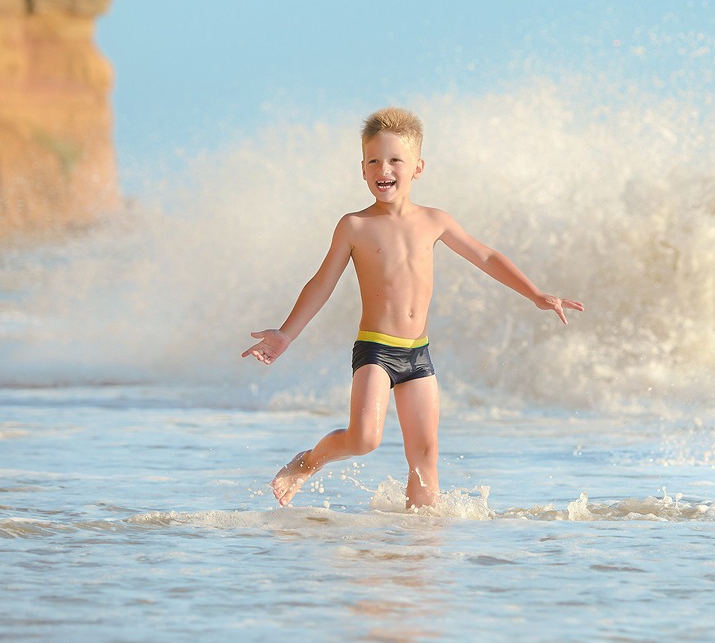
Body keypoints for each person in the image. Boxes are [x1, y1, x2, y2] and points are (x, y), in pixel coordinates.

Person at [243, 106, 584, 509]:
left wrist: (535, 294)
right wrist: (285, 334)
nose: (382, 168)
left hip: (418, 354)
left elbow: (486, 256)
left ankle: (421, 542)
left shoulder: (435, 220)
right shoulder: (354, 226)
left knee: (425, 456)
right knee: (364, 439)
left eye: (394, 160)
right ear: (363, 169)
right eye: (373, 160)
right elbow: (321, 284)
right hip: (375, 350)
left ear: (418, 168)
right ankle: (308, 462)